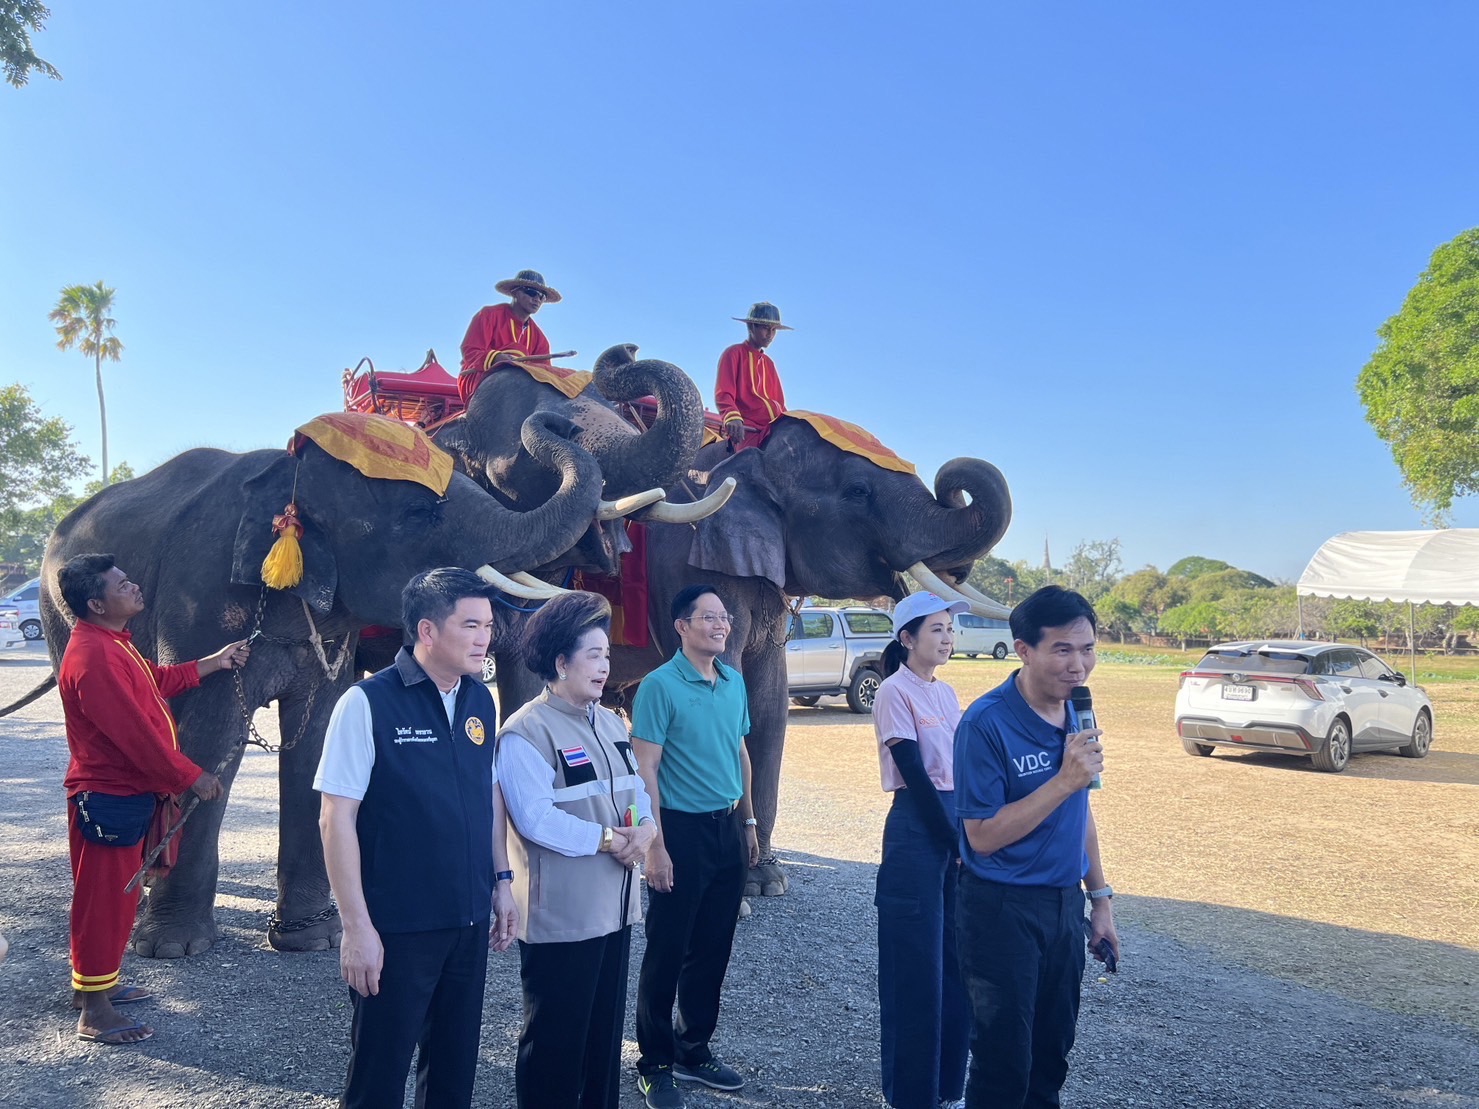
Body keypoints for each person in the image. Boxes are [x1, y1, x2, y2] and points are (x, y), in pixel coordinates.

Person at [315, 567, 518, 1109]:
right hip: (397, 927)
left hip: (468, 919)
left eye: (488, 626)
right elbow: (335, 819)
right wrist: (356, 927)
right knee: (379, 1077)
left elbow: (486, 796)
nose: (484, 638)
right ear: (427, 631)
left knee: (453, 1073)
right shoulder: (367, 703)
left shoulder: (480, 700)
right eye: (471, 625)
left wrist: (501, 881)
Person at [56, 553, 247, 1045]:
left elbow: (153, 685)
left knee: (110, 900)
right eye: (122, 585)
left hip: (123, 794)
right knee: (107, 903)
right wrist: (191, 777)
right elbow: (136, 737)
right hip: (109, 797)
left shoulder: (112, 644)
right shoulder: (94, 657)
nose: (134, 586)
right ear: (97, 603)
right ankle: (94, 1015)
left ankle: (95, 988)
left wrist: (214, 661)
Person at [952, 586, 1120, 1108]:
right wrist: (1064, 781)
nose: (1079, 665)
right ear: (1023, 650)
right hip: (1000, 909)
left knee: (1051, 1056)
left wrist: (1100, 900)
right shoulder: (985, 723)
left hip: (1063, 906)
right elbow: (980, 837)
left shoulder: (1078, 713)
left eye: (1088, 648)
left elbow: (1080, 812)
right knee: (1004, 1062)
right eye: (1063, 650)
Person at [497, 591, 658, 1108]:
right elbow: (536, 820)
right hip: (563, 917)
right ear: (560, 662)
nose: (605, 666)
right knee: (554, 1045)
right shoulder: (526, 731)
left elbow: (638, 794)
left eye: (606, 656)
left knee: (602, 1043)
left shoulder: (611, 723)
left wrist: (647, 832)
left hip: (615, 912)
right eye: (593, 655)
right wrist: (611, 840)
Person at [631, 584, 759, 1108]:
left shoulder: (732, 682)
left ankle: (694, 1048)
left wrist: (750, 823)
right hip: (678, 830)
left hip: (727, 828)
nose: (721, 625)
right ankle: (655, 1061)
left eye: (724, 617)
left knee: (713, 946)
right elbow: (646, 769)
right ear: (682, 626)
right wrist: (654, 846)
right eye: (709, 617)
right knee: (667, 949)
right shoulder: (659, 686)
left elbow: (741, 753)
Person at [872, 592, 972, 1109]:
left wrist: (967, 839)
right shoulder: (893, 691)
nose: (946, 638)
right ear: (906, 638)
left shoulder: (948, 693)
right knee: (916, 966)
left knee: (956, 963)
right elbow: (913, 770)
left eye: (949, 630)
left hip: (954, 827)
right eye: (936, 629)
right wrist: (954, 843)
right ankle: (910, 1096)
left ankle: (948, 1090)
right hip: (917, 828)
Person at [458, 268, 561, 405]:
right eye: (531, 293)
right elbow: (470, 351)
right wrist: (496, 358)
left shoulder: (540, 339)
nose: (536, 299)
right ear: (515, 292)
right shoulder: (488, 315)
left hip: (520, 385)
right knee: (517, 351)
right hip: (476, 376)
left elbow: (543, 372)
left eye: (542, 296)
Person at [715, 301, 792, 451]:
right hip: (749, 428)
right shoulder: (733, 353)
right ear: (751, 327)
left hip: (774, 428)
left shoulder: (769, 363)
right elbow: (723, 393)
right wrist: (732, 417)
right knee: (749, 465)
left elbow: (780, 403)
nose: (770, 334)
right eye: (765, 328)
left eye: (774, 329)